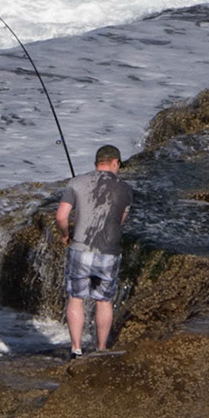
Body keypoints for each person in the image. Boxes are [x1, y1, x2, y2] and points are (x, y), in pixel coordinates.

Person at [55, 144, 132, 358]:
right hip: (109, 251)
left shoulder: (76, 183)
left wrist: (64, 235)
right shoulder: (126, 189)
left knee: (76, 298)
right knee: (104, 300)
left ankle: (76, 349)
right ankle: (101, 349)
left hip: (80, 248)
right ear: (115, 162)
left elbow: (61, 216)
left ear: (97, 163)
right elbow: (120, 221)